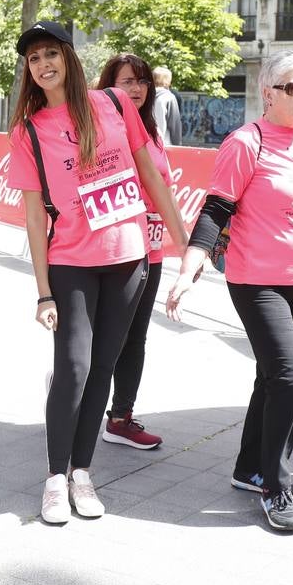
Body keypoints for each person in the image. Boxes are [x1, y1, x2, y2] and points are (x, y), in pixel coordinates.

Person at [6, 21, 188, 525]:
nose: (43, 64)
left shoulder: (114, 103)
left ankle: (82, 472)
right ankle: (53, 478)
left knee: (103, 369)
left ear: (68, 56)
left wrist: (184, 241)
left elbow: (150, 173)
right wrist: (43, 293)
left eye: (50, 54)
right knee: (74, 368)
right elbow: (32, 216)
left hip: (129, 258)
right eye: (33, 58)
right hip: (71, 263)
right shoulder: (27, 130)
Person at [166, 48, 293, 533]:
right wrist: (188, 269)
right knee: (291, 381)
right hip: (255, 279)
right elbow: (216, 209)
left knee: (271, 378)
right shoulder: (246, 142)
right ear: (268, 93)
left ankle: (249, 469)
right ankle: (275, 485)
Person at [94, 53, 175, 450]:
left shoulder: (152, 131)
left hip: (151, 250)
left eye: (142, 81)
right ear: (109, 86)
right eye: (127, 81)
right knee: (101, 337)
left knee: (135, 337)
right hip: (109, 253)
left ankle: (121, 417)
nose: (137, 89)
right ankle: (71, 394)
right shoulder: (97, 128)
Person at [151, 65, 183, 145]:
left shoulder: (145, 96)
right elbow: (175, 125)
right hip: (165, 145)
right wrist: (178, 145)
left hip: (147, 145)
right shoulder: (169, 98)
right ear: (168, 80)